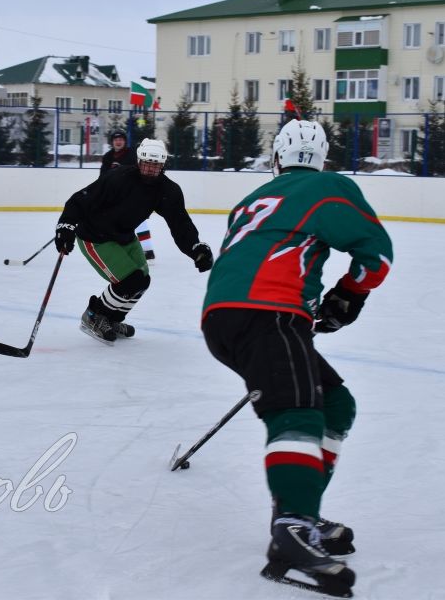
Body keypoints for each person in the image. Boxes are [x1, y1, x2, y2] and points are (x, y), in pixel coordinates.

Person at [201, 120, 393, 597]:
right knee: (299, 412)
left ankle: (299, 507)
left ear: (277, 158)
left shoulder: (251, 201)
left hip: (226, 317)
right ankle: (292, 527)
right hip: (269, 314)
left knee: (334, 405)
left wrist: (308, 311)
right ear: (323, 157)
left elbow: (261, 254)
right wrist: (347, 297)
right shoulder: (329, 187)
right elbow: (377, 257)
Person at [55, 138, 213, 344]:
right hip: (96, 236)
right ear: (139, 161)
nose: (149, 169)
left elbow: (180, 223)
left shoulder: (168, 190)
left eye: (155, 165)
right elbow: (80, 199)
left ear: (163, 165)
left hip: (125, 236)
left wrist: (195, 247)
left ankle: (111, 320)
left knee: (142, 281)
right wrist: (66, 226)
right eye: (146, 163)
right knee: (130, 281)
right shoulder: (118, 178)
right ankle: (94, 316)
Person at [100, 129, 157, 261]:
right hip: (116, 197)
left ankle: (148, 250)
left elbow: (138, 173)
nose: (118, 142)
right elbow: (102, 178)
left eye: (121, 139)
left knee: (139, 221)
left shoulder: (132, 155)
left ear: (124, 141)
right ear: (112, 142)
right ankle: (121, 250)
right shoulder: (108, 157)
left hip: (133, 194)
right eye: (115, 140)